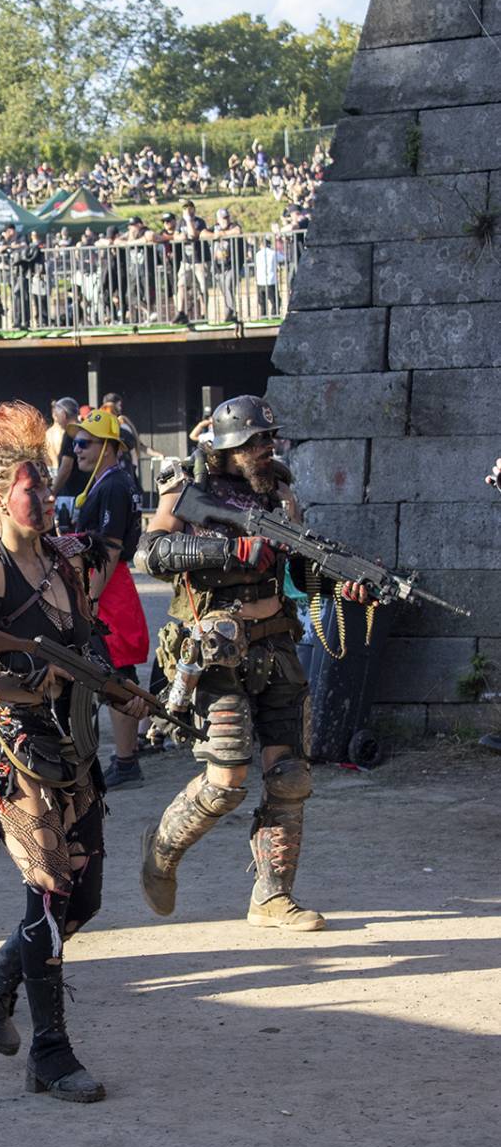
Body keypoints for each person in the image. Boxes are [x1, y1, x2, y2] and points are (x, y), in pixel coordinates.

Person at [0, 403, 149, 1102]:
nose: (47, 498)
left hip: (72, 748)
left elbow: (85, 648)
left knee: (89, 898)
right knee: (49, 896)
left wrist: (122, 693)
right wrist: (14, 673)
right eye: (33, 488)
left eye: (49, 485)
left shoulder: (63, 565)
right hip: (21, 755)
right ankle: (50, 1052)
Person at [138, 395, 369, 930]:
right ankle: (163, 850)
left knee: (289, 777)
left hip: (277, 644)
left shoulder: (280, 493)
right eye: (255, 442)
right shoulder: (188, 490)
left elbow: (298, 574)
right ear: (228, 447)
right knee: (225, 780)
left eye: (270, 440)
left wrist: (344, 586)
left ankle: (271, 896)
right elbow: (148, 554)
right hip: (217, 649)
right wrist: (229, 552)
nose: (267, 449)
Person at [67, 408, 149, 790]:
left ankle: (127, 759)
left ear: (108, 448)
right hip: (106, 581)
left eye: (85, 443)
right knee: (108, 669)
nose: (77, 449)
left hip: (107, 583)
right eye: (76, 442)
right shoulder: (111, 481)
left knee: (116, 672)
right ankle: (123, 756)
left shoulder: (114, 484)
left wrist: (91, 596)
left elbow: (110, 548)